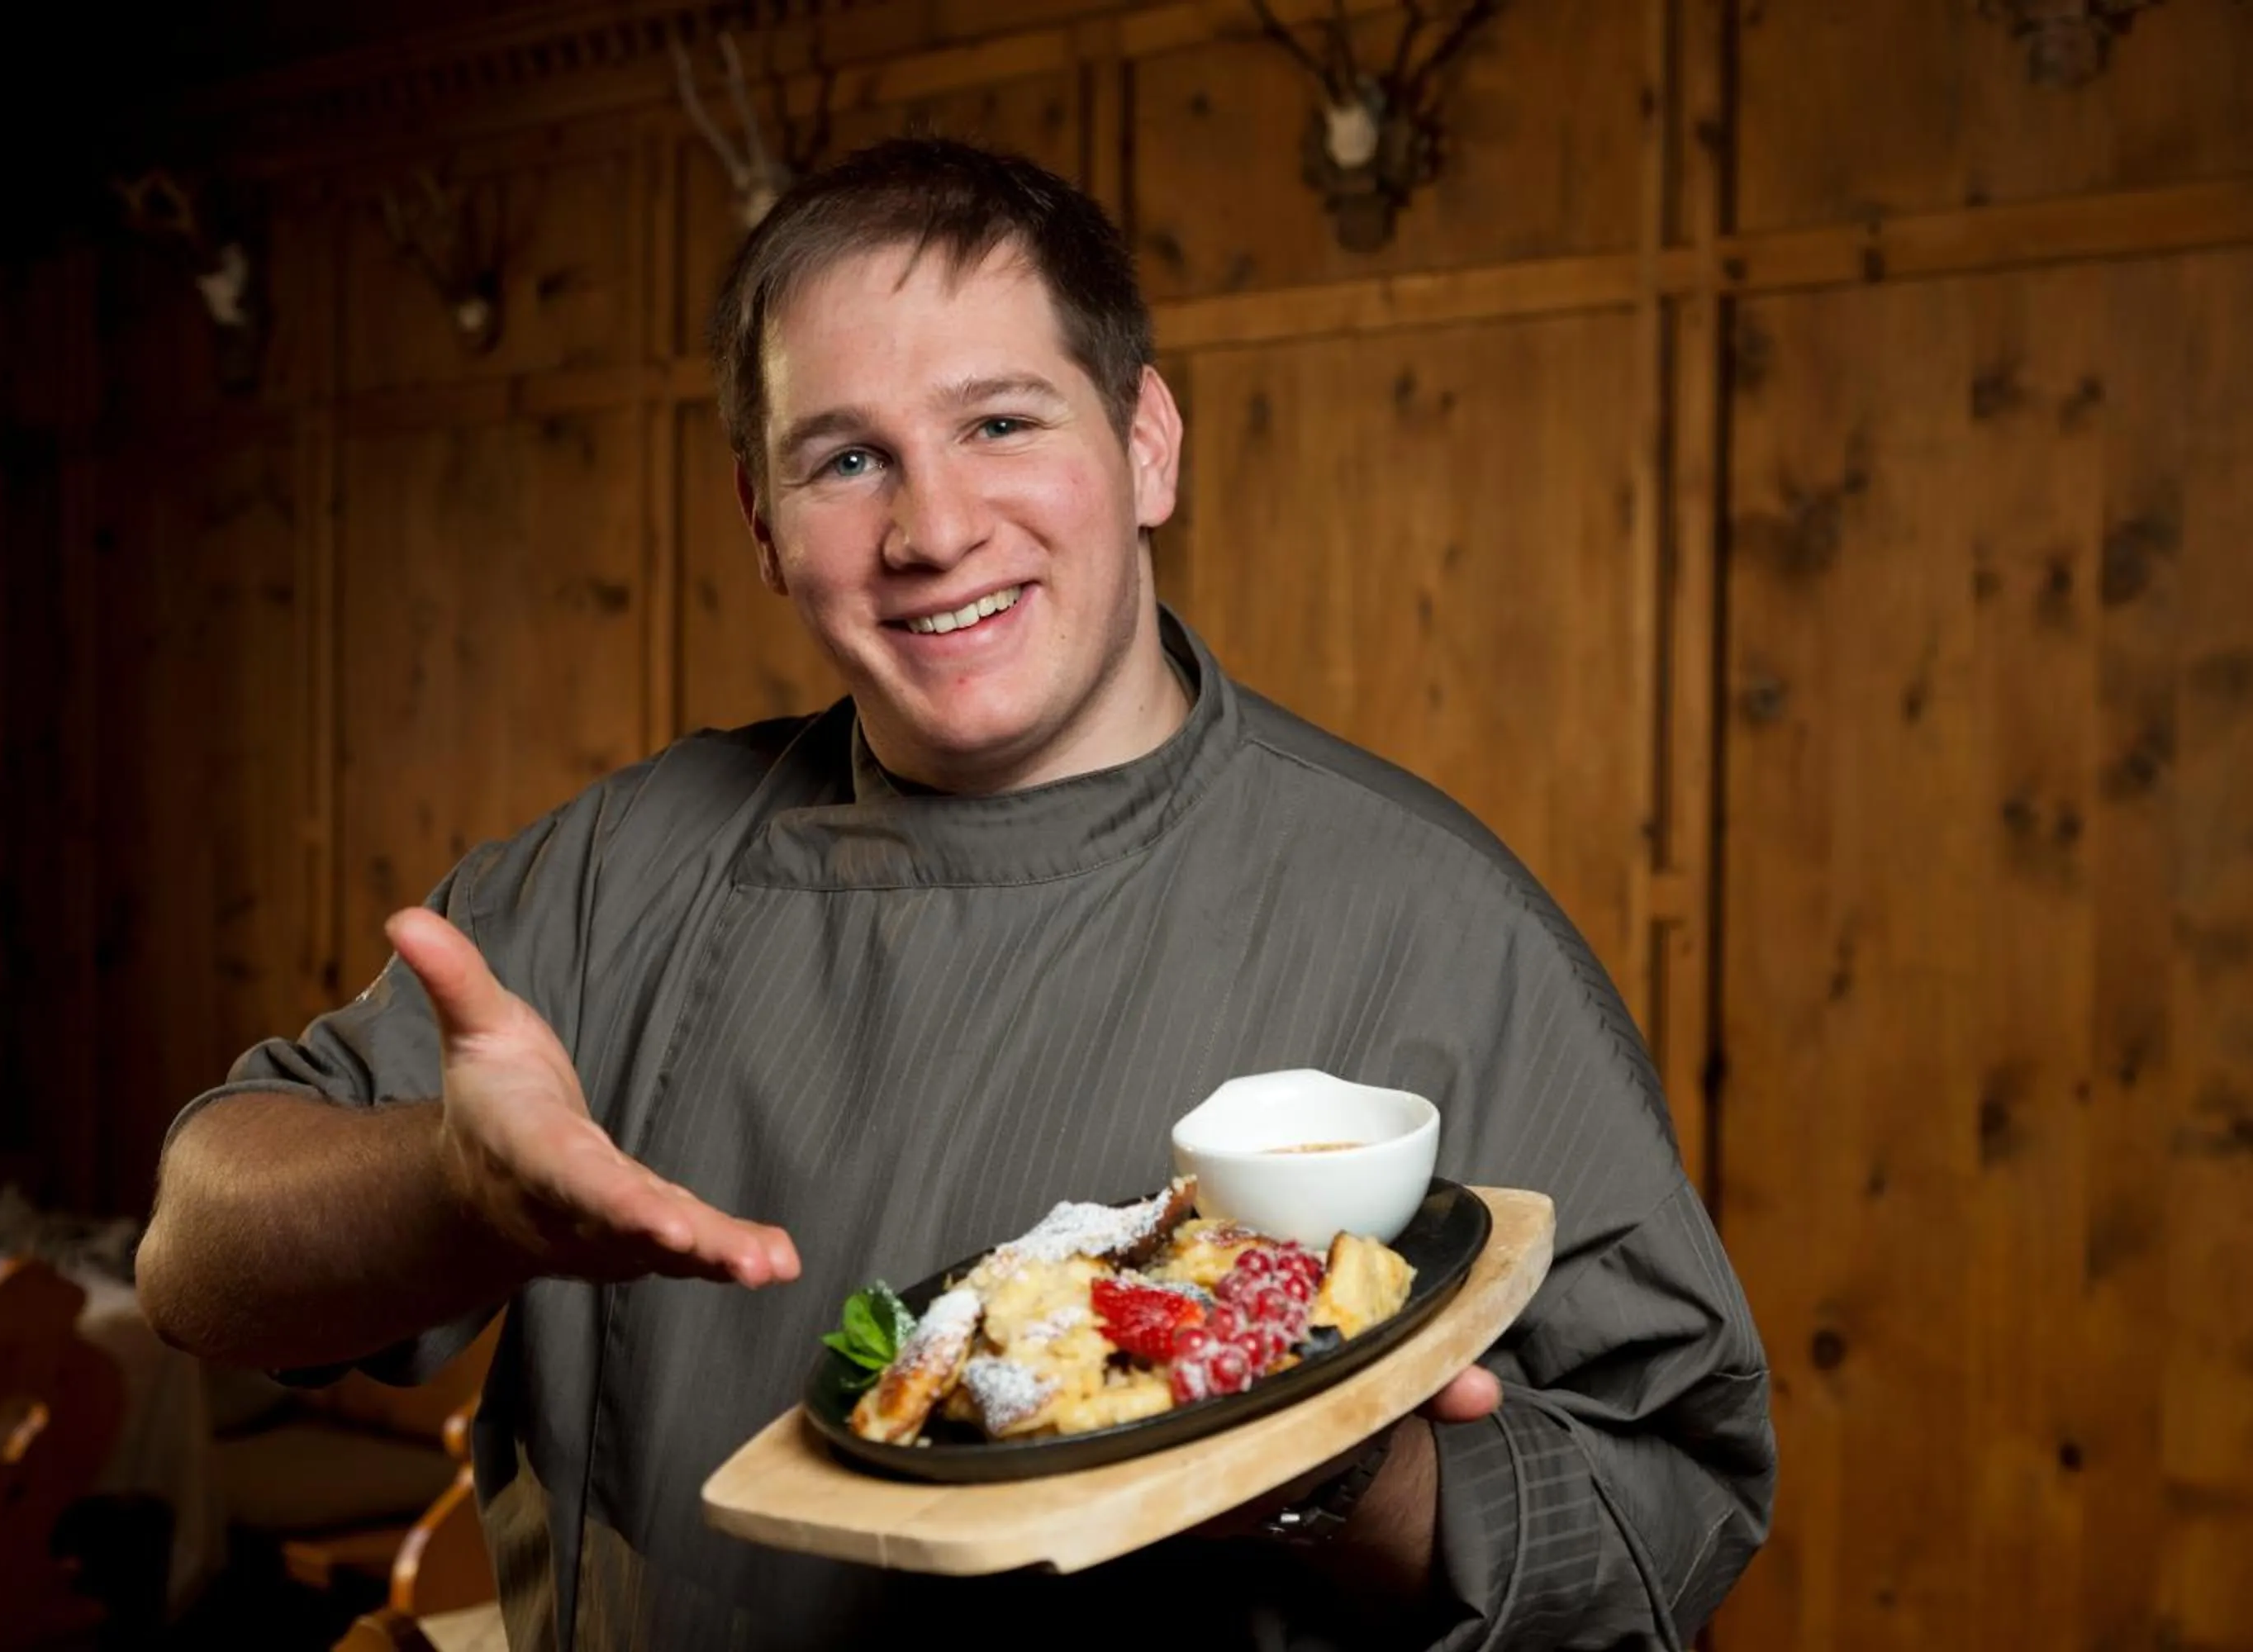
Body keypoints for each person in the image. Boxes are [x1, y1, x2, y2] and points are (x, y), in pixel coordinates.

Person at [138, 138, 1773, 1651]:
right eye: (846, 458)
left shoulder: (1431, 925)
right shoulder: (627, 868)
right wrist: (453, 1193)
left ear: (1145, 445)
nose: (931, 528)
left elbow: (1672, 1523)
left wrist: (1325, 1466)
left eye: (1001, 422)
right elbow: (195, 1252)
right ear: (763, 523)